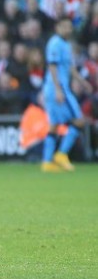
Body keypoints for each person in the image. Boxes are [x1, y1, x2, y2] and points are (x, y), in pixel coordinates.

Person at [41, 17, 92, 172]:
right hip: (58, 88)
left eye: (69, 27)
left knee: (54, 125)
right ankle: (62, 154)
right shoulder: (55, 43)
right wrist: (57, 89)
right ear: (58, 27)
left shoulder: (66, 44)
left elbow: (70, 68)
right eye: (64, 27)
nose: (67, 30)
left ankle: (47, 162)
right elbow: (52, 67)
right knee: (79, 121)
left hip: (58, 88)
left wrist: (83, 83)